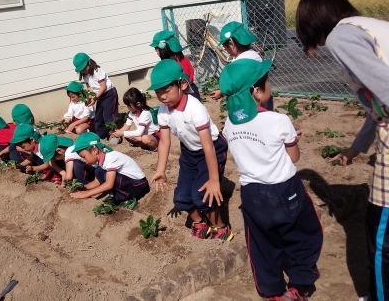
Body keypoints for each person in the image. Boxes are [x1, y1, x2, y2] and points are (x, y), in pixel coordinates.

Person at [295, 0, 389, 301]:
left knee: (380, 232)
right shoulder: (367, 26)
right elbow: (377, 104)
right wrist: (355, 149)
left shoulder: (340, 36)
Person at [219, 59, 322, 301]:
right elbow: (293, 157)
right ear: (256, 91)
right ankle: (300, 285)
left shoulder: (229, 124)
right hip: (285, 190)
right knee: (306, 235)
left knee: (262, 246)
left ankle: (272, 292)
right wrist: (291, 139)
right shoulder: (279, 120)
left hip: (252, 194)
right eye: (267, 82)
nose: (269, 85)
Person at [148, 60, 233, 241]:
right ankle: (199, 221)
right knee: (181, 197)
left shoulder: (194, 108)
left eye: (166, 90)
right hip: (189, 152)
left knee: (202, 193)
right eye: (158, 92)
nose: (162, 96)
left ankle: (220, 226)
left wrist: (214, 179)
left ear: (183, 84)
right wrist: (160, 170)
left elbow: (208, 146)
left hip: (211, 149)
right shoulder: (163, 111)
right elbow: (164, 142)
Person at [209, 21, 274, 111]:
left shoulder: (238, 64)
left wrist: (222, 92)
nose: (225, 50)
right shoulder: (254, 55)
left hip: (250, 103)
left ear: (231, 44)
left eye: (225, 47)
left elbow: (236, 85)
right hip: (264, 97)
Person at [69, 132, 149, 204]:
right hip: (130, 183)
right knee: (99, 171)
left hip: (138, 185)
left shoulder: (111, 158)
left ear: (94, 150)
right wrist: (83, 188)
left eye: (84, 157)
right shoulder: (103, 159)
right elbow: (97, 181)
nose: (83, 160)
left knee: (116, 179)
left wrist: (87, 193)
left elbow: (109, 184)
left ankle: (126, 200)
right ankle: (120, 195)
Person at [73, 52, 120, 142]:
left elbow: (103, 86)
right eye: (81, 70)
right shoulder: (85, 76)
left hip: (109, 93)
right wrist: (90, 97)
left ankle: (115, 134)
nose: (83, 71)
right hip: (99, 96)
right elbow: (89, 88)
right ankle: (102, 135)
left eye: (83, 68)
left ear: (89, 63)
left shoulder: (97, 71)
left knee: (108, 116)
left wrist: (95, 98)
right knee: (98, 117)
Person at [150, 30, 201, 100]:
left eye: (156, 50)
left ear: (164, 49)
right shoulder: (184, 59)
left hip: (183, 94)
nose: (156, 52)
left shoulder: (172, 64)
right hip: (192, 90)